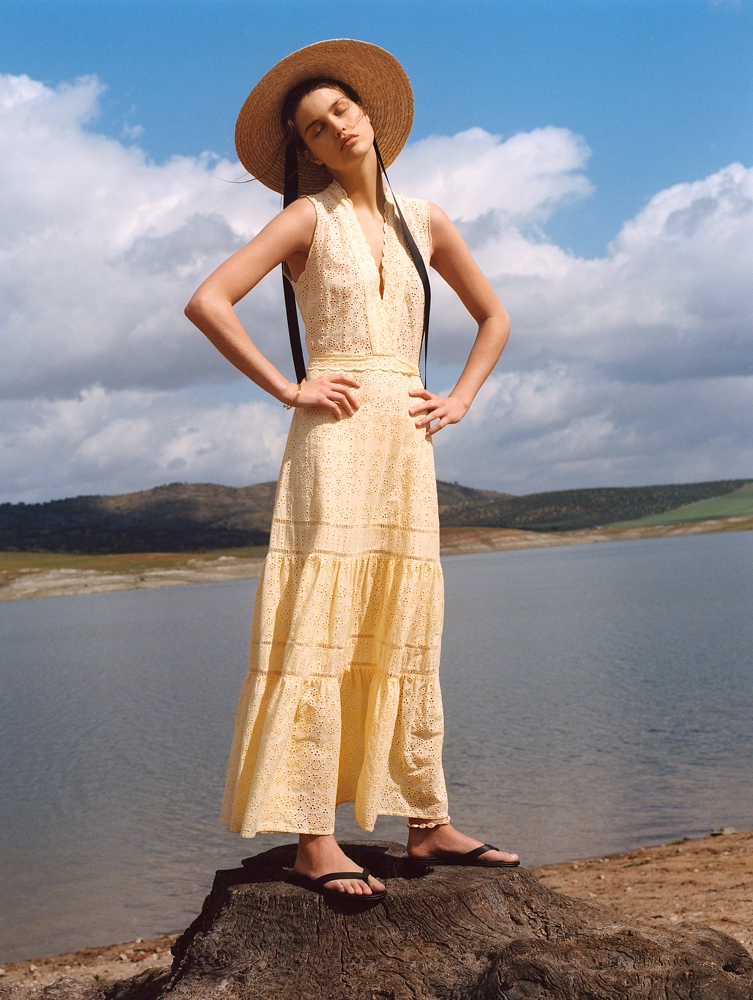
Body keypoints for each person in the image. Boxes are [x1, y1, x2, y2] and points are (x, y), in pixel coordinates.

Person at [185, 39, 517, 904]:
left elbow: (496, 318)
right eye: (314, 127)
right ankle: (314, 840)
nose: (335, 127)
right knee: (319, 623)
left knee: (408, 625)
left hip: (407, 445)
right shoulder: (306, 218)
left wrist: (458, 400)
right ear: (307, 151)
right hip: (332, 442)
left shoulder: (428, 220)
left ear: (366, 114)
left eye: (341, 109)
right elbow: (208, 301)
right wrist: (287, 386)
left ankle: (425, 823)